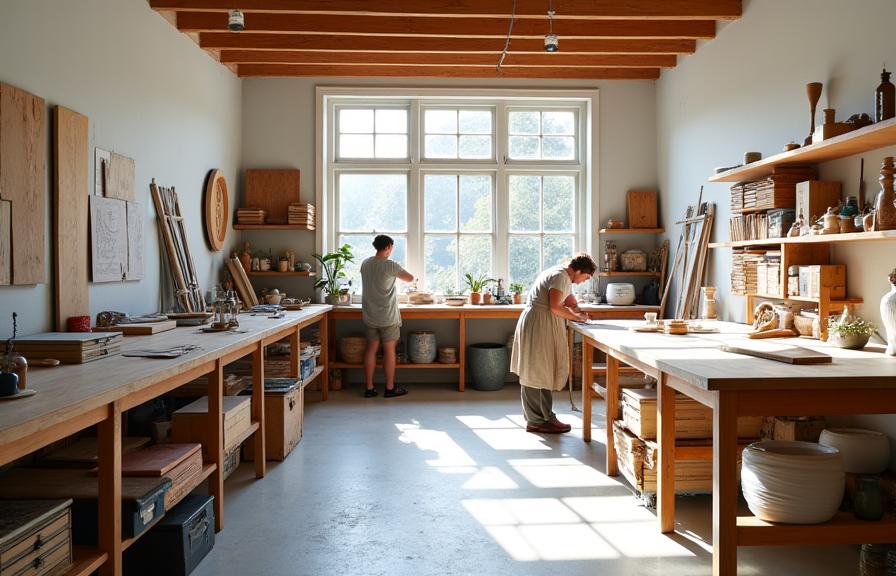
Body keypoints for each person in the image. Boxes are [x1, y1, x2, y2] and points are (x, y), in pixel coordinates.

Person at [510, 253, 596, 433]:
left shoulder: (562, 275)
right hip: (539, 324)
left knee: (544, 370)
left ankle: (546, 416)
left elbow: (569, 300)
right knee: (535, 370)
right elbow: (556, 306)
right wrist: (576, 317)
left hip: (540, 323)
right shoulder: (560, 276)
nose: (583, 282)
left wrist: (578, 312)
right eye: (585, 278)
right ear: (578, 271)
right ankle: (536, 420)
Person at [360, 235, 414, 398]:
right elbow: (410, 278)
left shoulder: (366, 263)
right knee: (389, 351)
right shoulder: (390, 265)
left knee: (371, 350)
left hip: (370, 316)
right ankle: (389, 388)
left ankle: (369, 388)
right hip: (388, 317)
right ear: (389, 247)